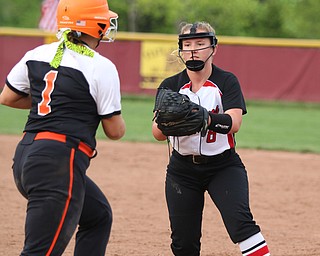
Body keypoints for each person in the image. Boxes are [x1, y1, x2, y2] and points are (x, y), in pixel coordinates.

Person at [0, 0, 125, 255]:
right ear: (94, 24)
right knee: (40, 252)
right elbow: (115, 130)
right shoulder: (101, 66)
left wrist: (57, 103)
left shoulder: (37, 54)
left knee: (97, 216)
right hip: (58, 163)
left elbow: (7, 97)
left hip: (26, 158)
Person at [152, 21, 270, 256]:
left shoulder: (226, 81)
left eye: (200, 43)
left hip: (223, 167)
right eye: (187, 45)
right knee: (183, 242)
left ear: (213, 48)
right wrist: (169, 122)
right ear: (180, 50)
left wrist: (205, 119)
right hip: (182, 171)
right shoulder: (170, 86)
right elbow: (156, 133)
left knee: (241, 224)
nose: (193, 50)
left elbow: (234, 123)